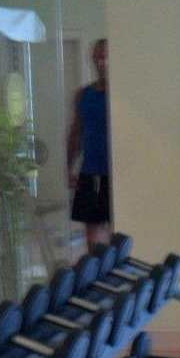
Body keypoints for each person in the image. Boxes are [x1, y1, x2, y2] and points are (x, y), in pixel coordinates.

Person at [67, 38, 111, 252]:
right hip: (90, 171)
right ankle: (97, 271)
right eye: (97, 58)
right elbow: (76, 132)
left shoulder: (121, 96)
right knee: (93, 240)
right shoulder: (83, 95)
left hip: (118, 173)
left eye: (104, 57)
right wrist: (69, 168)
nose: (100, 62)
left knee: (120, 236)